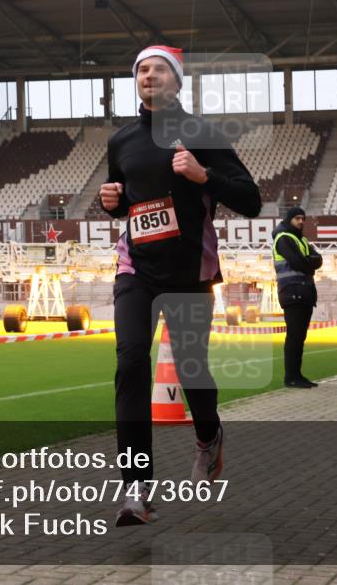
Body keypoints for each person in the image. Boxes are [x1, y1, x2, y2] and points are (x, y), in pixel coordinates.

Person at [100, 45, 262, 526]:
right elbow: (122, 198)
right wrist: (110, 201)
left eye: (158, 69)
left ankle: (209, 438)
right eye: (141, 70)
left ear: (177, 80)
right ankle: (137, 486)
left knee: (192, 370)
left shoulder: (203, 134)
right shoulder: (121, 141)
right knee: (130, 361)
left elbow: (251, 200)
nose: (148, 76)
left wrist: (203, 175)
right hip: (136, 269)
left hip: (189, 271)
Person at [272, 206, 322, 388]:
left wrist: (308, 263)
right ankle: (291, 377)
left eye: (303, 218)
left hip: (304, 292)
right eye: (297, 218)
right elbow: (299, 262)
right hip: (292, 291)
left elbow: (319, 259)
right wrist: (309, 264)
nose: (301, 221)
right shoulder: (283, 238)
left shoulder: (301, 239)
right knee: (294, 336)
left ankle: (297, 375)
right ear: (289, 219)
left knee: (299, 337)